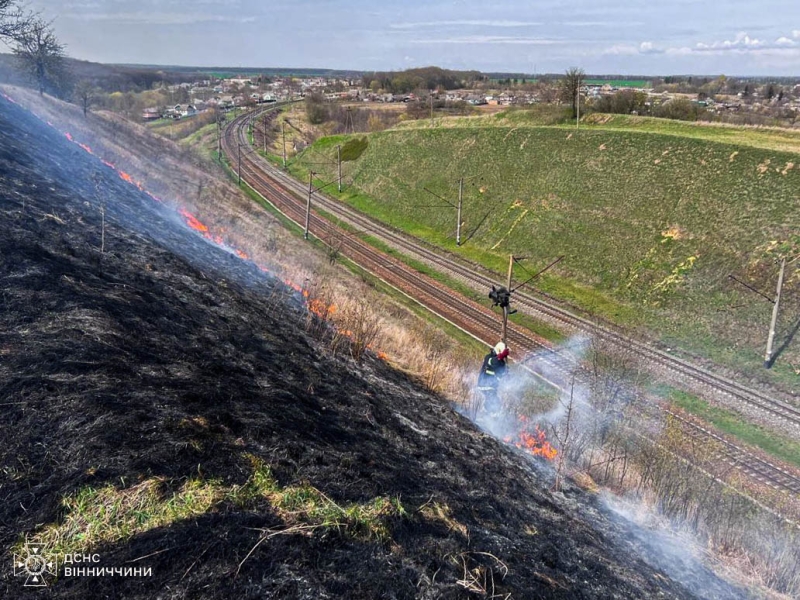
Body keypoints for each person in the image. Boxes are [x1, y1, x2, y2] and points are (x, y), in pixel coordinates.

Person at [477, 341, 509, 415]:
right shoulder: (488, 357)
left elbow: (500, 375)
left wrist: (506, 374)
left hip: (492, 387)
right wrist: (501, 356)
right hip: (484, 385)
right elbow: (492, 362)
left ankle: (488, 415)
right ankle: (488, 415)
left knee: (496, 404)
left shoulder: (502, 363)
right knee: (494, 403)